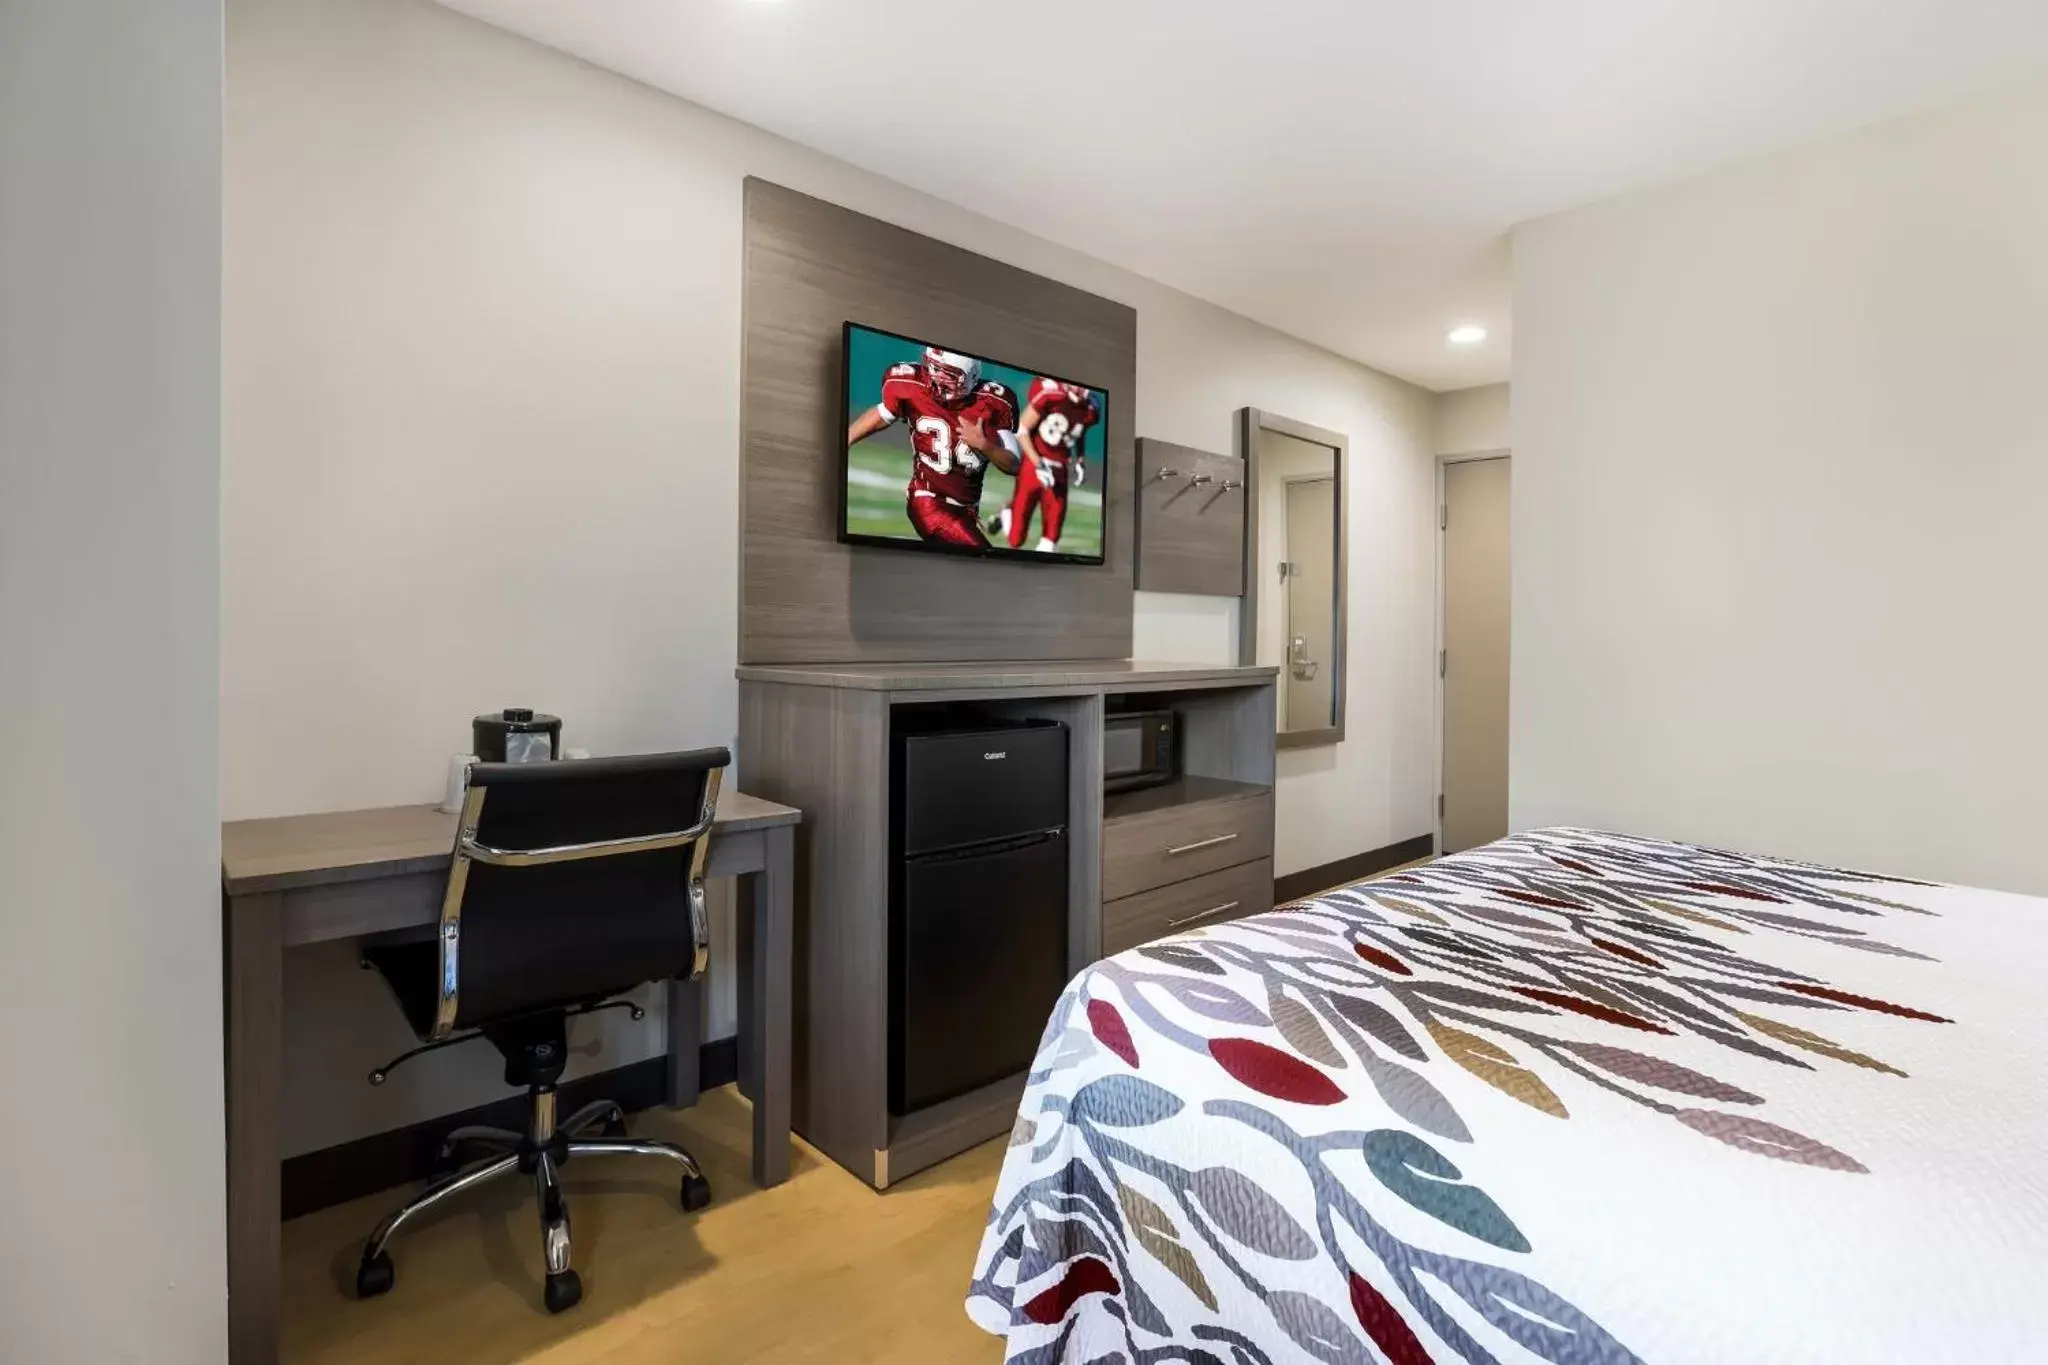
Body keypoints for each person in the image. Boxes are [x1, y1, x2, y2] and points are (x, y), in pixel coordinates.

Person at [847, 347, 1019, 547]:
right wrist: (846, 439)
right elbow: (883, 414)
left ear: (968, 378)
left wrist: (984, 445)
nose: (936, 377)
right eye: (933, 368)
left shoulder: (993, 402)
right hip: (928, 502)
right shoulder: (911, 385)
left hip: (966, 510)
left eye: (946, 373)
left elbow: (1013, 465)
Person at [986, 377, 1099, 551]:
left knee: (1052, 537)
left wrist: (1080, 459)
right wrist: (1039, 463)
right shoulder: (1051, 394)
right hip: (1034, 463)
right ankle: (1008, 513)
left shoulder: (1090, 409)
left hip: (1060, 467)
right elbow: (1022, 430)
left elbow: (1078, 430)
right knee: (1016, 540)